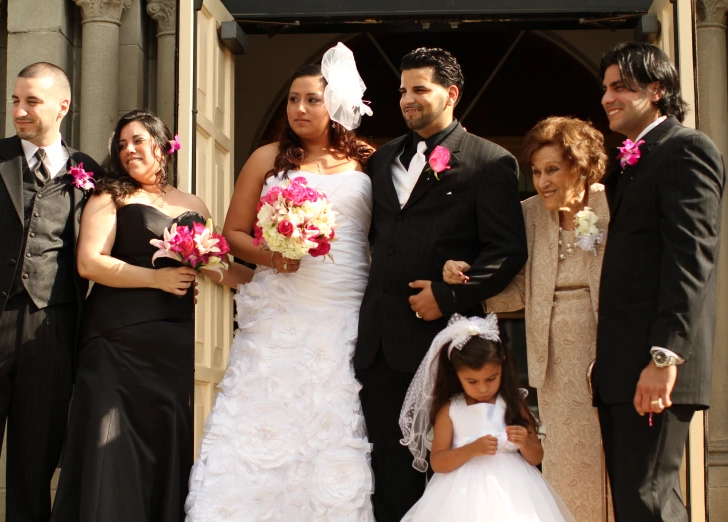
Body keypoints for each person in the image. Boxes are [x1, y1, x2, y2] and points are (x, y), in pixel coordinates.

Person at [184, 43, 375, 521]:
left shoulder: (367, 161)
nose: (300, 109)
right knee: (268, 414)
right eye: (293, 99)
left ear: (335, 103)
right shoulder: (268, 159)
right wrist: (273, 255)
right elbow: (231, 234)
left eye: (311, 99)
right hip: (281, 307)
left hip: (345, 306)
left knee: (334, 420)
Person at [49, 109, 251, 522]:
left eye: (138, 140)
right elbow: (89, 262)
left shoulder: (193, 203)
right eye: (122, 144)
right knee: (110, 449)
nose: (128, 150)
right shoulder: (110, 195)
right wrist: (156, 280)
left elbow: (219, 267)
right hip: (115, 342)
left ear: (163, 145)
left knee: (162, 447)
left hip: (171, 347)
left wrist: (277, 282)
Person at [354, 47, 528, 521]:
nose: (407, 99)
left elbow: (507, 251)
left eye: (419, 89)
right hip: (380, 344)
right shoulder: (383, 158)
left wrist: (447, 294)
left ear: (450, 94)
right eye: (402, 90)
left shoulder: (491, 162)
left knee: (451, 477)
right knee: (389, 475)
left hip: (447, 349)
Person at [0, 62, 102, 522]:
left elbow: (107, 244)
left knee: (34, 478)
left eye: (31, 101)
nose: (19, 110)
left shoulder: (87, 171)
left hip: (50, 334)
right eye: (16, 100)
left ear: (63, 106)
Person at [444, 116, 611, 520]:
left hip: (608, 349)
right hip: (553, 360)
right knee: (566, 460)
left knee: (615, 460)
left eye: (552, 169)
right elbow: (516, 288)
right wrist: (464, 279)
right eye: (535, 171)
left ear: (581, 166)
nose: (541, 181)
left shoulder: (613, 204)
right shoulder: (530, 214)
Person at [594, 42, 725, 521]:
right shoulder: (632, 161)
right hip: (622, 367)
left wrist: (664, 356)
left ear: (657, 90)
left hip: (654, 366)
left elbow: (690, 262)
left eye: (620, 87)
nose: (607, 98)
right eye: (605, 88)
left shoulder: (686, 150)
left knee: (648, 502)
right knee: (639, 503)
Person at [399, 313, 575, 521]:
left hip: (515, 492)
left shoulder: (512, 403)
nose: (483, 388)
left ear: (502, 366)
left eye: (491, 378)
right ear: (456, 375)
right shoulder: (450, 410)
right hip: (462, 495)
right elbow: (438, 461)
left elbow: (537, 456)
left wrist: (524, 442)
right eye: (472, 381)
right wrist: (471, 449)